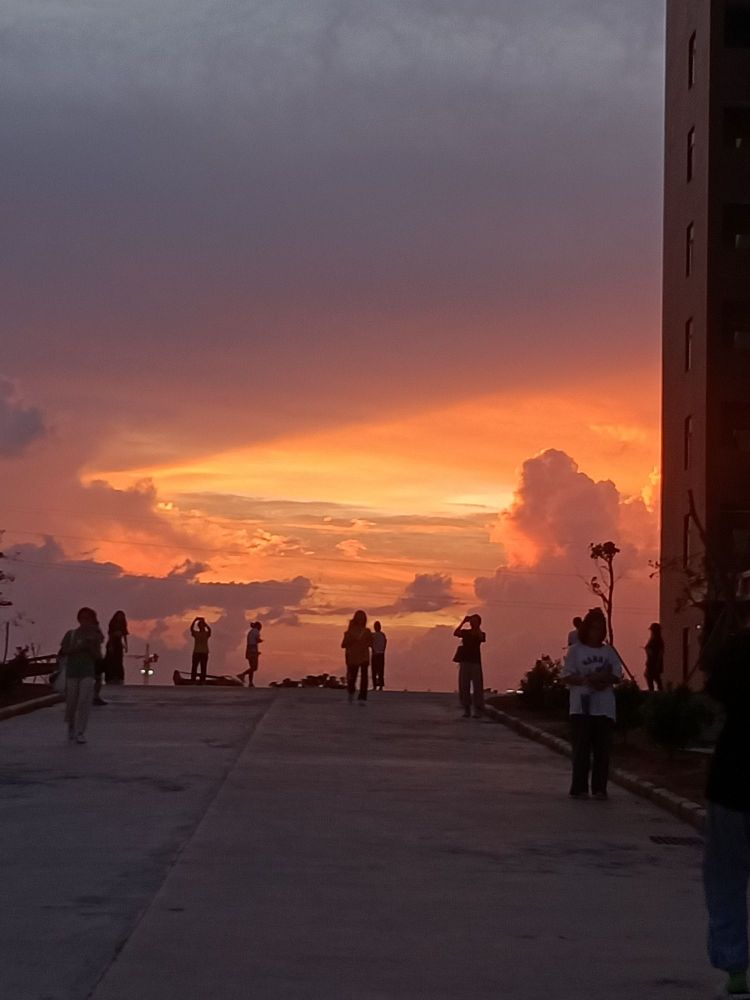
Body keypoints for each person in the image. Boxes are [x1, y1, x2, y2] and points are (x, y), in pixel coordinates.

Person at [703, 628, 750, 999]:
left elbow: (714, 686)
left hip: (732, 781)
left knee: (726, 879)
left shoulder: (738, 644)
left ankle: (736, 967)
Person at [561, 608, 623, 799]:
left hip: (604, 709)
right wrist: (587, 680)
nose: (597, 632)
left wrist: (603, 678)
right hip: (582, 707)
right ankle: (579, 787)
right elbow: (567, 676)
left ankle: (599, 788)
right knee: (581, 750)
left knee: (602, 752)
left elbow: (617, 674)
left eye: (600, 628)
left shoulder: (608, 651)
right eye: (593, 628)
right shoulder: (575, 651)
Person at [59, 607, 104, 744]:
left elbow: (98, 656)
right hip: (72, 672)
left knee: (84, 701)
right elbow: (63, 651)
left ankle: (80, 731)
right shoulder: (71, 634)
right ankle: (71, 725)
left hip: (87, 672)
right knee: (72, 702)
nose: (85, 621)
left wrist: (90, 648)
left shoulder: (95, 636)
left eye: (88, 618)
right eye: (83, 618)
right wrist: (77, 648)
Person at [453, 614, 486, 719]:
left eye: (475, 621)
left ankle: (477, 710)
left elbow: (482, 638)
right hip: (465, 662)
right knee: (464, 686)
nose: (473, 623)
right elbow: (456, 633)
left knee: (477, 687)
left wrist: (477, 628)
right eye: (472, 621)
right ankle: (466, 709)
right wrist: (463, 622)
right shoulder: (466, 633)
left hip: (475, 663)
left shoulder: (480, 634)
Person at [341, 611, 372, 704]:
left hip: (363, 656)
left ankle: (362, 696)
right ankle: (351, 692)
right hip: (353, 657)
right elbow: (343, 644)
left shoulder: (367, 631)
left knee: (364, 677)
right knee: (352, 677)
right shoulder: (350, 632)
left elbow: (370, 643)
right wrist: (352, 640)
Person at [103, 610, 128, 686]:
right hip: (112, 643)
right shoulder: (113, 624)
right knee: (110, 661)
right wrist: (110, 646)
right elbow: (110, 635)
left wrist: (126, 645)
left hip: (118, 644)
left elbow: (125, 635)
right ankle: (110, 677)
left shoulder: (123, 624)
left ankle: (118, 677)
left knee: (118, 661)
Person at [237, 621, 262, 687]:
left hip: (249, 649)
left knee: (252, 667)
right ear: (258, 626)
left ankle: (250, 683)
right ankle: (242, 674)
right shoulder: (256, 631)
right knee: (254, 667)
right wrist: (260, 641)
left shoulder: (251, 631)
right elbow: (257, 640)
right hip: (253, 649)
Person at [189, 617, 212, 683]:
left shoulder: (206, 634)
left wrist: (205, 623)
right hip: (197, 652)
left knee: (203, 667)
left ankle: (202, 680)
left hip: (204, 653)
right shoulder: (196, 633)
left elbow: (210, 630)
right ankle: (193, 680)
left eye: (202, 625)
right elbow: (191, 629)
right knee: (194, 667)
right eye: (200, 625)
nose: (201, 627)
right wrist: (195, 620)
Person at [644, 622, 665, 692]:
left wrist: (658, 663)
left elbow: (660, 653)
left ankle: (653, 691)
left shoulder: (657, 640)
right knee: (653, 677)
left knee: (651, 676)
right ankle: (656, 690)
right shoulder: (654, 639)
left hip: (654, 663)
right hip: (652, 662)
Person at [371, 621, 387, 691]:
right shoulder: (383, 635)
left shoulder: (373, 635)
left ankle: (375, 686)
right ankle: (380, 685)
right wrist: (383, 650)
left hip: (375, 654)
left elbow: (370, 643)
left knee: (374, 671)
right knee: (381, 671)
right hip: (381, 654)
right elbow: (385, 643)